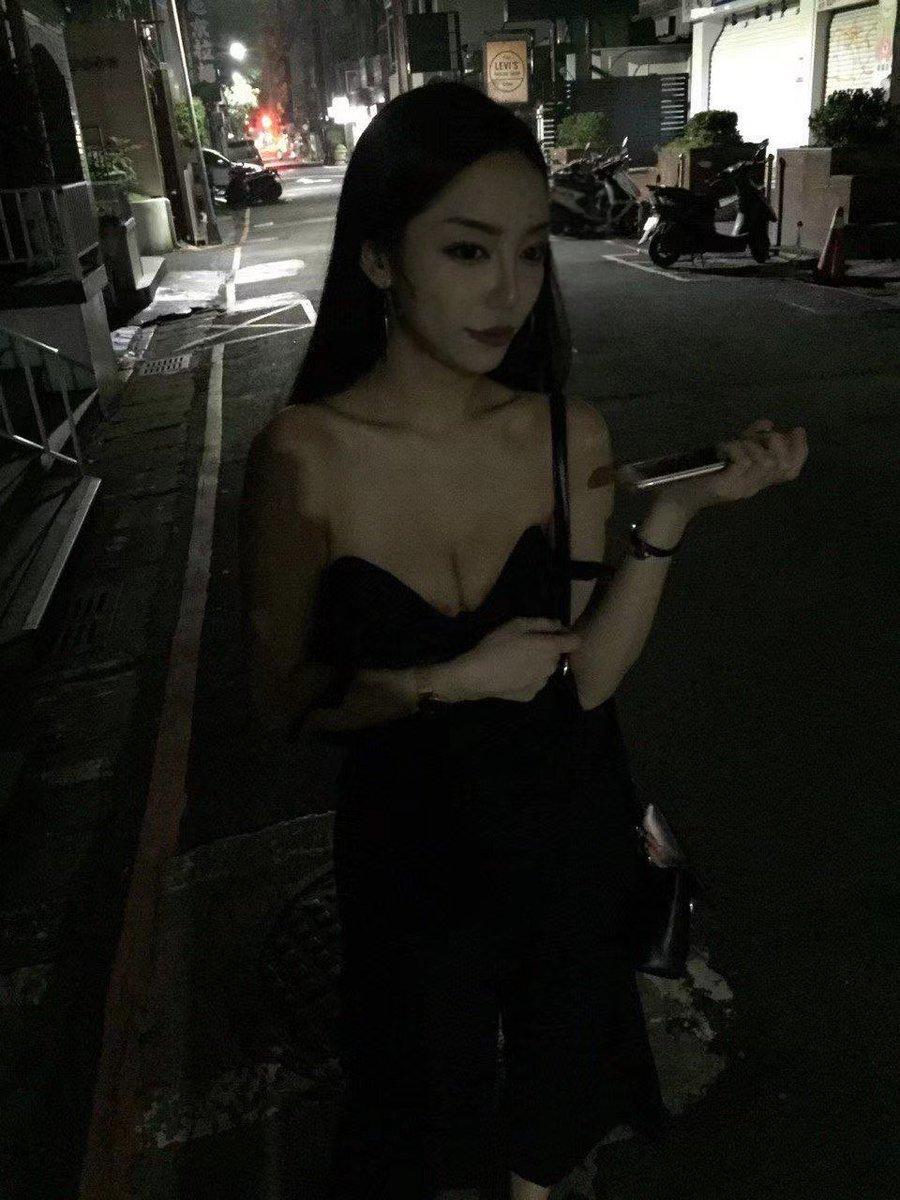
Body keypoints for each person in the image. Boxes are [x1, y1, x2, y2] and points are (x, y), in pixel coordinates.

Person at [239, 80, 807, 1200]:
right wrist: (447, 680)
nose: (509, 291)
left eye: (532, 252)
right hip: (412, 865)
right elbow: (280, 701)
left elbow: (587, 679)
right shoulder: (304, 456)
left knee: (548, 1139)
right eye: (467, 251)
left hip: (566, 843)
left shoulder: (563, 432)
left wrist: (672, 517)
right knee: (427, 1128)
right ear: (379, 259)